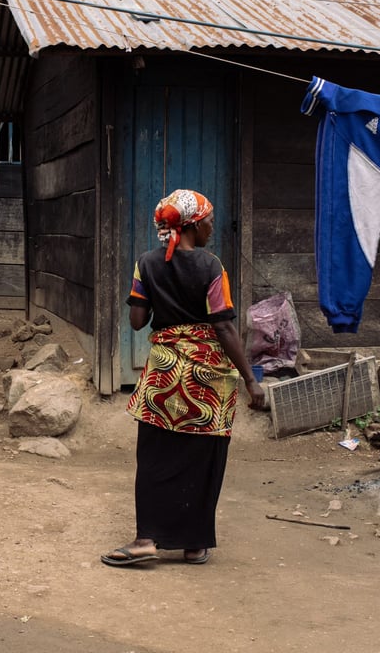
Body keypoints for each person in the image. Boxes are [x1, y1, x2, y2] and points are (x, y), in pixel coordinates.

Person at [101, 189, 267, 568]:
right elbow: (223, 327)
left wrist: (159, 294)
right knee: (203, 458)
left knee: (155, 457)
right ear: (193, 226)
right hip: (206, 379)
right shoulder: (212, 267)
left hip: (163, 374)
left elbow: (137, 321)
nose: (212, 228)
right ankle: (194, 544)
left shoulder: (146, 264)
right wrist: (250, 381)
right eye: (209, 221)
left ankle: (147, 539)